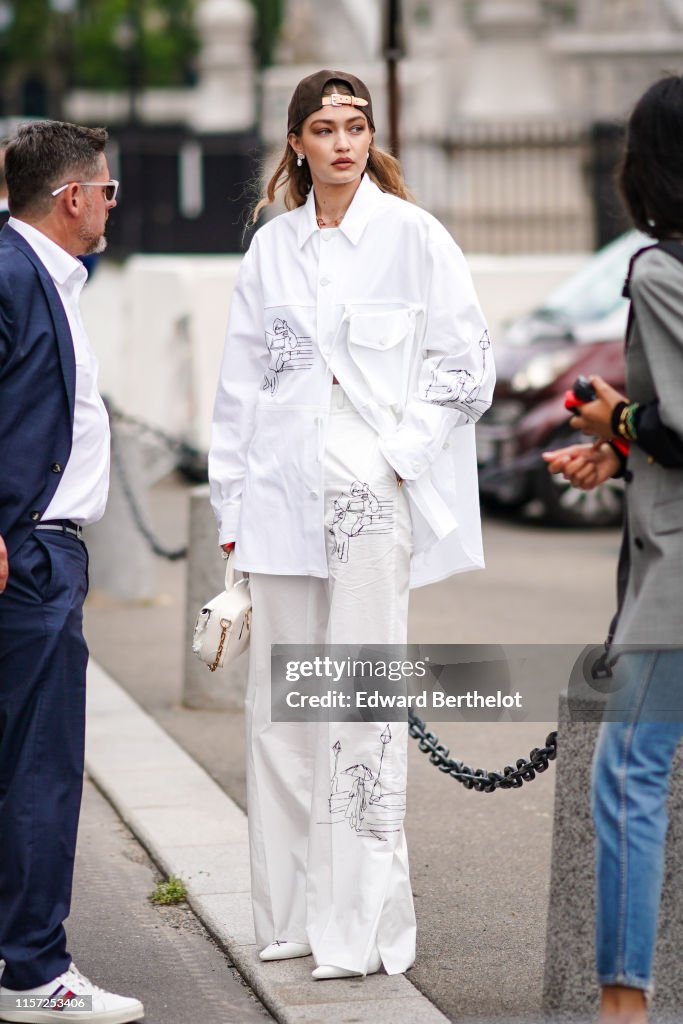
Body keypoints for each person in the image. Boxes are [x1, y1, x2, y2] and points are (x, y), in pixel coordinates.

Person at [209, 69, 494, 981]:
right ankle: (293, 912)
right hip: (277, 493)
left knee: (359, 707)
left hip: (370, 484)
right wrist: (231, 518)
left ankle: (361, 924)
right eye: (323, 128)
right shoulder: (271, 250)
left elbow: (466, 361)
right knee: (282, 715)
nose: (340, 141)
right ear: (296, 142)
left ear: (371, 138)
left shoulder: (413, 237)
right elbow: (237, 392)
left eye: (355, 125)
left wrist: (398, 457)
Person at [543, 74, 683, 1024]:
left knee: (628, 773)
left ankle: (622, 1006)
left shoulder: (660, 270)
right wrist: (624, 446)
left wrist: (619, 414)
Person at [0, 121, 144, 1023]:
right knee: (42, 769)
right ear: (72, 198)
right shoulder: (16, 274)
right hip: (30, 552)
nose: (112, 203)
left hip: (40, 548)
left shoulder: (43, 275)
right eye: (108, 189)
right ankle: (34, 973)